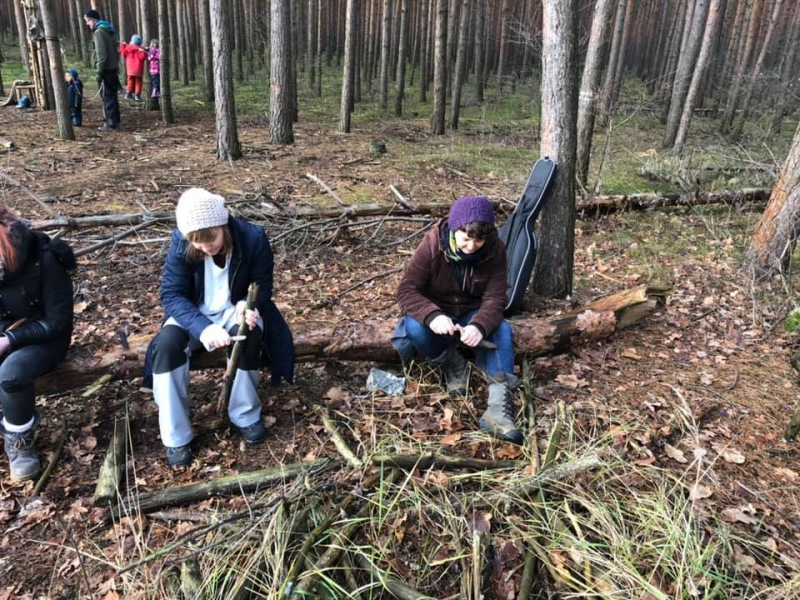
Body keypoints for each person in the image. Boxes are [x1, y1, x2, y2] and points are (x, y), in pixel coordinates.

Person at [144, 188, 295, 467]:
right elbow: (172, 294)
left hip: (233, 309)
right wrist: (203, 328)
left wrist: (247, 303)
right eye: (196, 241)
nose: (205, 247)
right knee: (166, 348)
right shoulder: (180, 241)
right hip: (193, 312)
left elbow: (263, 284)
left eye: (210, 238)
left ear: (223, 224)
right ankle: (176, 435)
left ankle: (245, 414)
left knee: (248, 336)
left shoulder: (252, 238)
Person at [392, 196, 522, 444]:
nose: (471, 246)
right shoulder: (433, 243)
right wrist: (432, 316)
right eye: (466, 238)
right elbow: (407, 290)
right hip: (437, 308)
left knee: (502, 329)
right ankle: (453, 362)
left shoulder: (495, 249)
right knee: (414, 327)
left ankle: (498, 410)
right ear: (454, 230)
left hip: (472, 310)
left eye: (478, 240)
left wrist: (480, 325)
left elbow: (496, 297)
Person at [0, 210, 75, 481]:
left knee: (11, 373)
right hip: (4, 332)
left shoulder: (45, 257)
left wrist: (10, 340)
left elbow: (58, 321)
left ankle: (20, 439)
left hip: (45, 337)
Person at [83, 8, 120, 132]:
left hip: (106, 70)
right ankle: (115, 121)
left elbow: (101, 55)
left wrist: (99, 72)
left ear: (93, 20)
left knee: (107, 97)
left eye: (88, 21)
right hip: (112, 68)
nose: (87, 24)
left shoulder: (99, 32)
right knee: (112, 96)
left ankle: (111, 124)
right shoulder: (109, 30)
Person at [119, 34, 147, 102]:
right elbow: (143, 57)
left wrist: (123, 45)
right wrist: (144, 51)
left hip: (130, 70)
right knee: (138, 82)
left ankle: (128, 94)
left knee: (130, 81)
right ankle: (137, 96)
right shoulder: (139, 49)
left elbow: (122, 52)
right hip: (138, 69)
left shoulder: (128, 48)